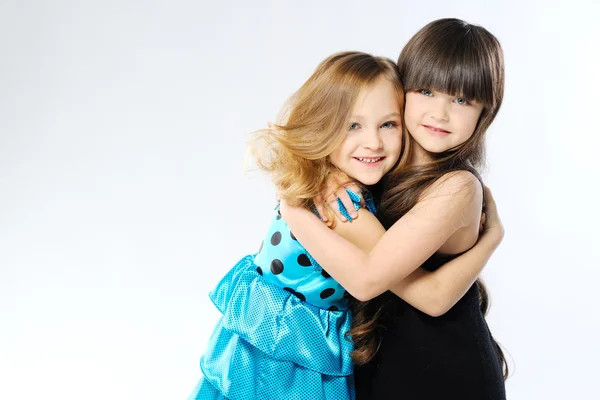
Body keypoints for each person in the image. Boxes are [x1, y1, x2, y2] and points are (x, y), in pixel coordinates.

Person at [189, 50, 502, 400]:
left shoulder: (344, 183)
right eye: (353, 125)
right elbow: (411, 291)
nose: (373, 141)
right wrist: (293, 209)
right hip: (285, 354)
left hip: (297, 349)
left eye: (388, 124)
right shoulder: (343, 205)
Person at [280, 18, 508, 400]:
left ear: (486, 111)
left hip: (446, 374)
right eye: (426, 91)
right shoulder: (377, 165)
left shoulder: (457, 187)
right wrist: (327, 176)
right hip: (378, 366)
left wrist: (293, 211)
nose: (440, 114)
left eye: (462, 100)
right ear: (402, 91)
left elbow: (370, 280)